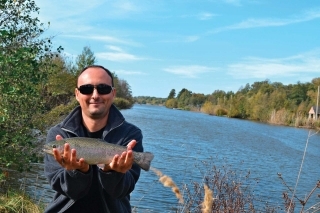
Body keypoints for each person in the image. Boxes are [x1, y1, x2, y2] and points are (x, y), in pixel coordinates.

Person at [44, 65, 143, 213]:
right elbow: (68, 191)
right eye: (86, 89)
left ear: (113, 93)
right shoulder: (58, 134)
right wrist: (78, 172)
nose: (95, 95)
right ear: (77, 94)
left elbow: (122, 191)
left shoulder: (130, 135)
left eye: (103, 88)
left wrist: (113, 173)